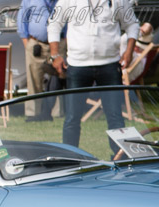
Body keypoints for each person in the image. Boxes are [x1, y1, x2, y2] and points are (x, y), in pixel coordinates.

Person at [48, 0, 139, 148]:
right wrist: (54, 54)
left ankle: (121, 159)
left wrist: (129, 51)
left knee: (115, 117)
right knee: (72, 117)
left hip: (109, 65)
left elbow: (133, 24)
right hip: (78, 65)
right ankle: (71, 160)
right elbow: (54, 23)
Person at [18, 0, 64, 120]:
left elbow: (69, 22)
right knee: (34, 80)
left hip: (59, 44)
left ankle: (57, 113)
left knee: (59, 79)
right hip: (36, 44)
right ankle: (33, 113)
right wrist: (28, 44)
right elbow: (22, 20)